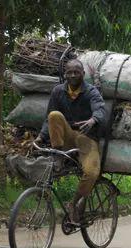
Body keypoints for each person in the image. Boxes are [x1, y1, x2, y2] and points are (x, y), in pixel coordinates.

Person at [34, 59, 107, 224]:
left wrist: (93, 120)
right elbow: (48, 118)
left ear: (83, 74)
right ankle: (58, 156)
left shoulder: (91, 92)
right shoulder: (58, 91)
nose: (73, 75)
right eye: (69, 72)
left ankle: (73, 204)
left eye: (76, 72)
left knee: (92, 172)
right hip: (67, 136)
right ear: (65, 74)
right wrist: (40, 137)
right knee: (54, 115)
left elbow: (101, 110)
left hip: (87, 138)